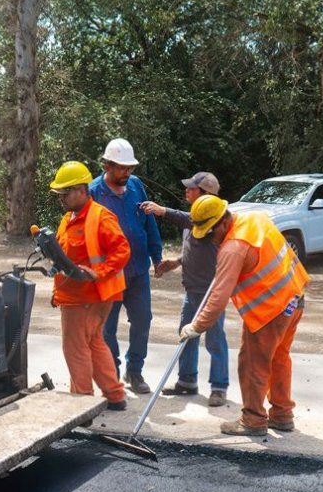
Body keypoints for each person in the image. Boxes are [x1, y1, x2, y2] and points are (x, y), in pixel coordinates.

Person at [180, 195, 310, 436]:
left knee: (252, 363)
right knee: (278, 358)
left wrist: (197, 326)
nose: (210, 238)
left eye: (210, 232)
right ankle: (282, 414)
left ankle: (253, 420)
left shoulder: (233, 249)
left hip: (270, 310)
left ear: (221, 223)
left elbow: (218, 297)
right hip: (294, 298)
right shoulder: (255, 219)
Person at [140, 172, 229, 407]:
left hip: (212, 291)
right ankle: (187, 381)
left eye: (192, 189)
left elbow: (188, 220)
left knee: (215, 339)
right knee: (186, 333)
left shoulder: (214, 219)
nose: (187, 191)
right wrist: (177, 262)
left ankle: (219, 387)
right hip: (192, 289)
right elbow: (194, 246)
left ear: (206, 195)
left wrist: (162, 211)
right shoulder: (196, 217)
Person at [49, 161, 130, 410]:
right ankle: (114, 396)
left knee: (75, 349)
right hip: (76, 295)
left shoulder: (100, 217)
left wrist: (98, 273)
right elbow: (64, 259)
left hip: (86, 297)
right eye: (59, 193)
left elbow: (122, 250)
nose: (61, 198)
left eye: (66, 192)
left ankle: (81, 403)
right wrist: (57, 291)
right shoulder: (68, 218)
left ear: (82, 190)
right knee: (94, 342)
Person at [89, 138, 163, 394]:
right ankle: (114, 375)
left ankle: (135, 372)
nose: (126, 172)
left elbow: (149, 222)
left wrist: (158, 257)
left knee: (143, 320)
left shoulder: (135, 185)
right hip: (110, 274)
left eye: (129, 167)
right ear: (107, 165)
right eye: (121, 168)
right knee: (107, 328)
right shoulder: (93, 192)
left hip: (139, 270)